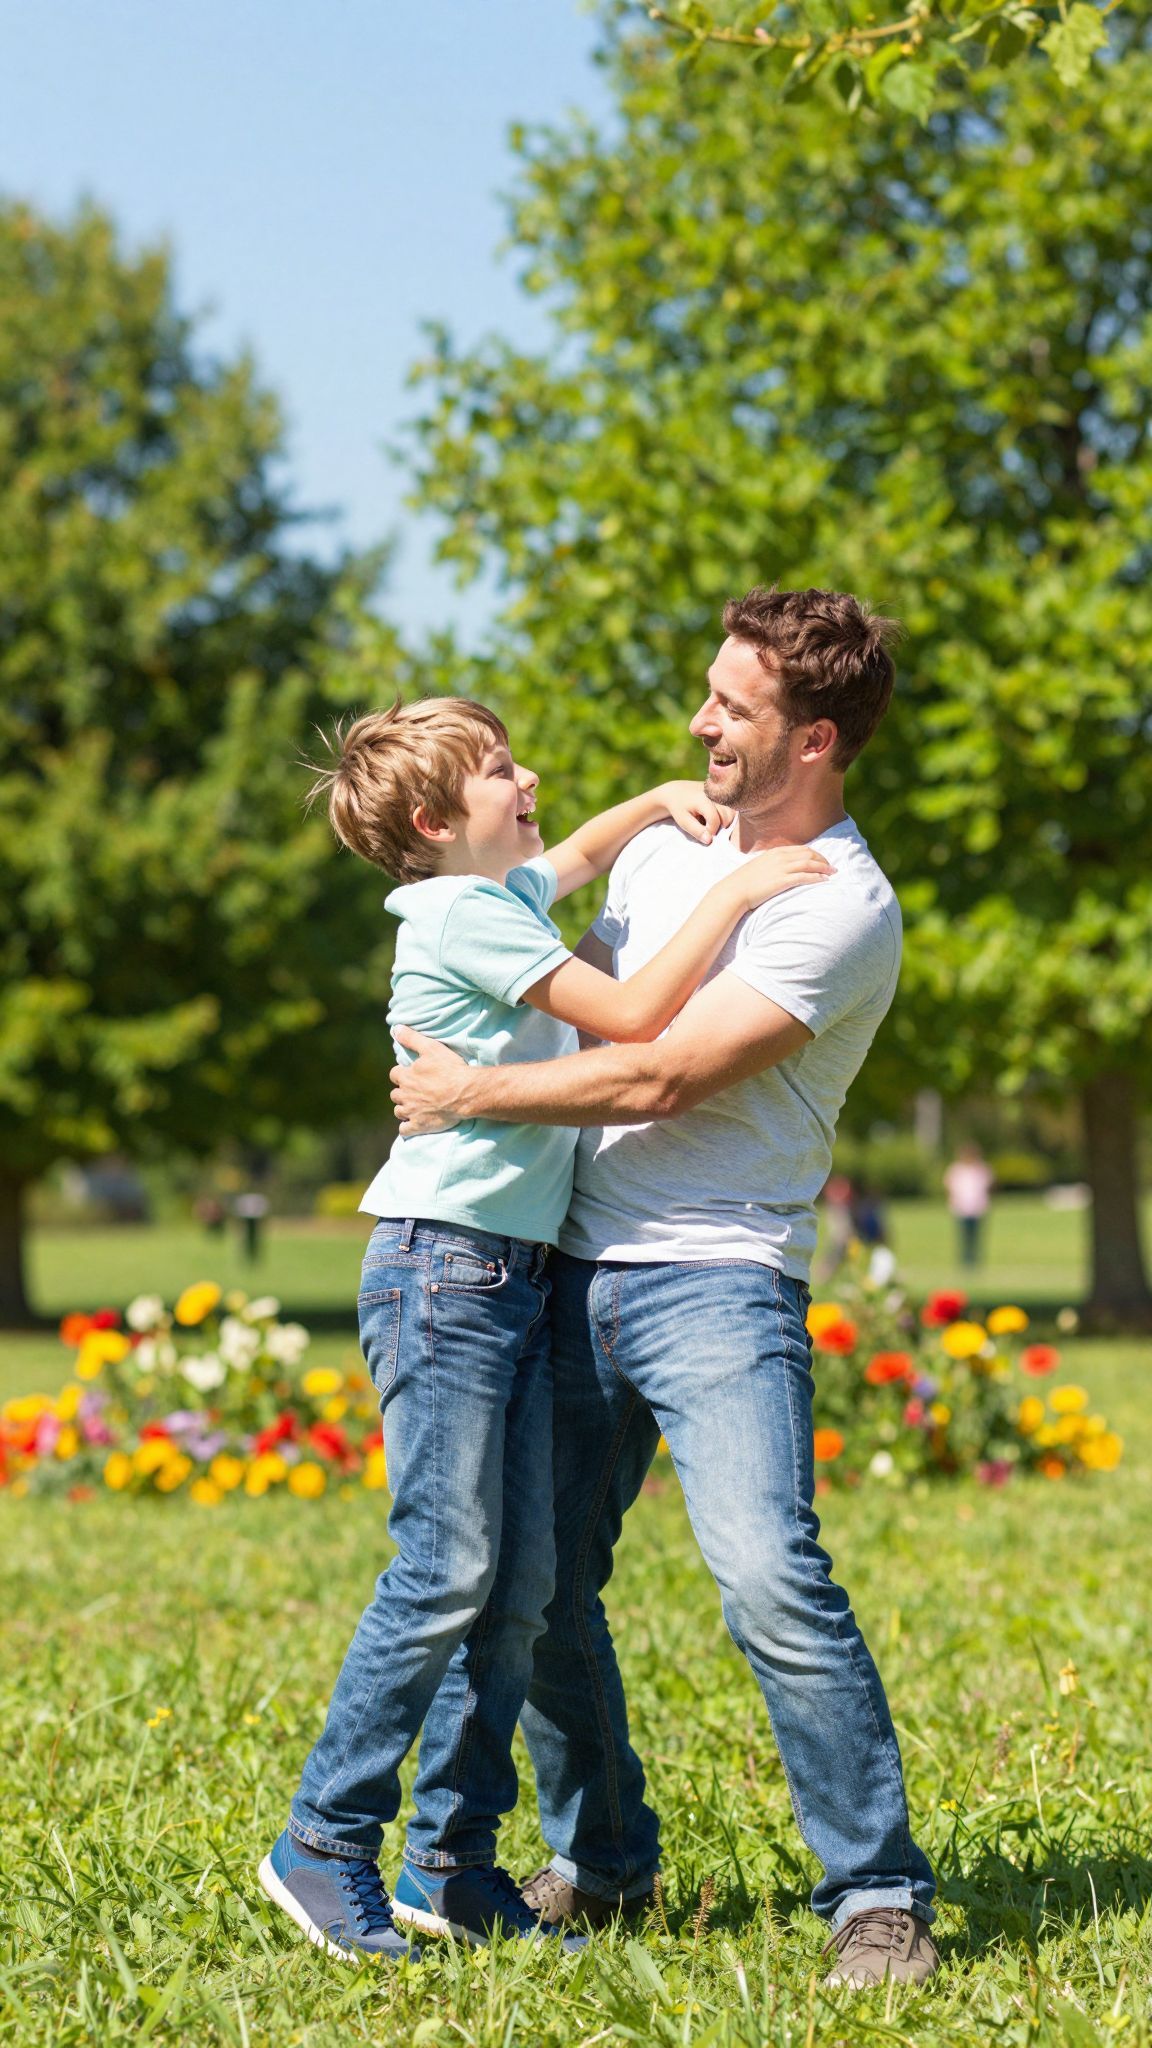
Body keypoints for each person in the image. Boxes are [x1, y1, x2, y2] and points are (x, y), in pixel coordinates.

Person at [391, 587, 940, 1989]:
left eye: (732, 708)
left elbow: (661, 1069)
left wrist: (469, 1094)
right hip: (566, 1264)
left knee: (767, 1573)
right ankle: (603, 1858)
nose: (700, 721)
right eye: (707, 691)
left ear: (814, 739)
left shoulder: (840, 904)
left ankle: (876, 1893)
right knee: (545, 1580)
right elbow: (559, 983)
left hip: (719, 1281)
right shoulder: (669, 851)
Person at [257, 695, 830, 1963]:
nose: (532, 782)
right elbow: (632, 1023)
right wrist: (731, 895)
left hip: (509, 1276)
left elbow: (563, 858)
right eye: (504, 771)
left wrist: (653, 808)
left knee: (516, 1585)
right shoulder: (461, 913)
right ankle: (324, 1835)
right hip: (443, 1275)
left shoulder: (497, 892)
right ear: (430, 820)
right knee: (446, 1568)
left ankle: (456, 1868)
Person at [944, 1142, 994, 1267]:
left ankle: (975, 1260)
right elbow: (949, 1186)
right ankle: (965, 1260)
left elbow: (989, 1185)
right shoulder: (956, 1170)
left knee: (976, 1236)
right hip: (961, 1208)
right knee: (963, 1236)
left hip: (978, 1207)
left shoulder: (982, 1169)